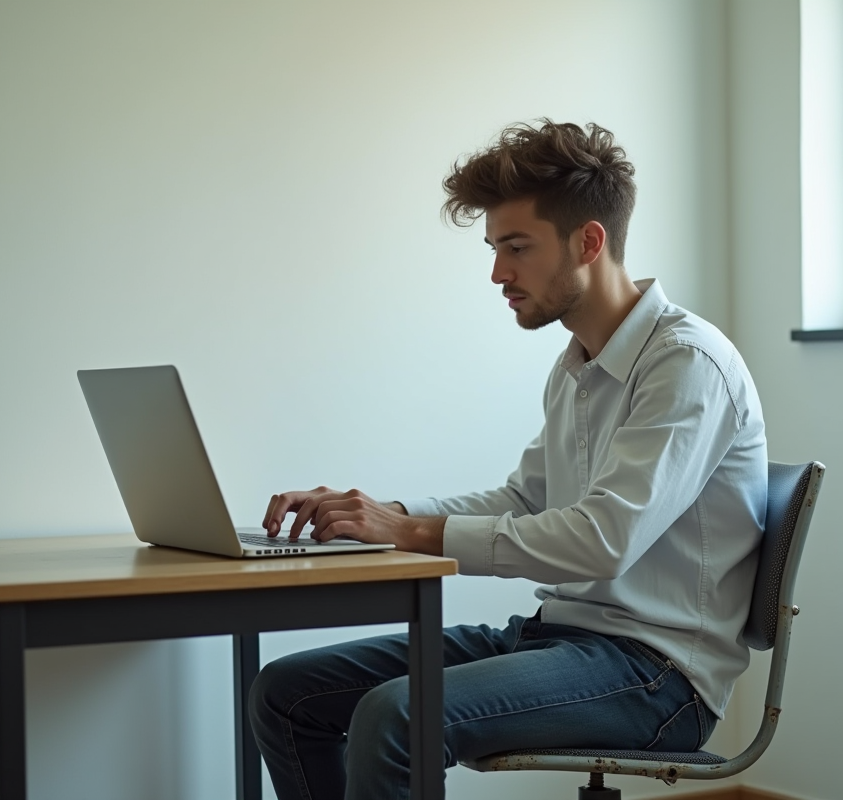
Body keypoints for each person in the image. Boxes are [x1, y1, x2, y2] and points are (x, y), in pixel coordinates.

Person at [249, 119, 767, 800]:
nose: (497, 272)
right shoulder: (577, 365)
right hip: (557, 638)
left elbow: (603, 541)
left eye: (516, 247)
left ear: (588, 241)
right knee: (286, 692)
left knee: (394, 715)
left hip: (657, 676)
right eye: (495, 248)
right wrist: (384, 514)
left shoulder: (686, 364)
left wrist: (406, 534)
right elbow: (525, 500)